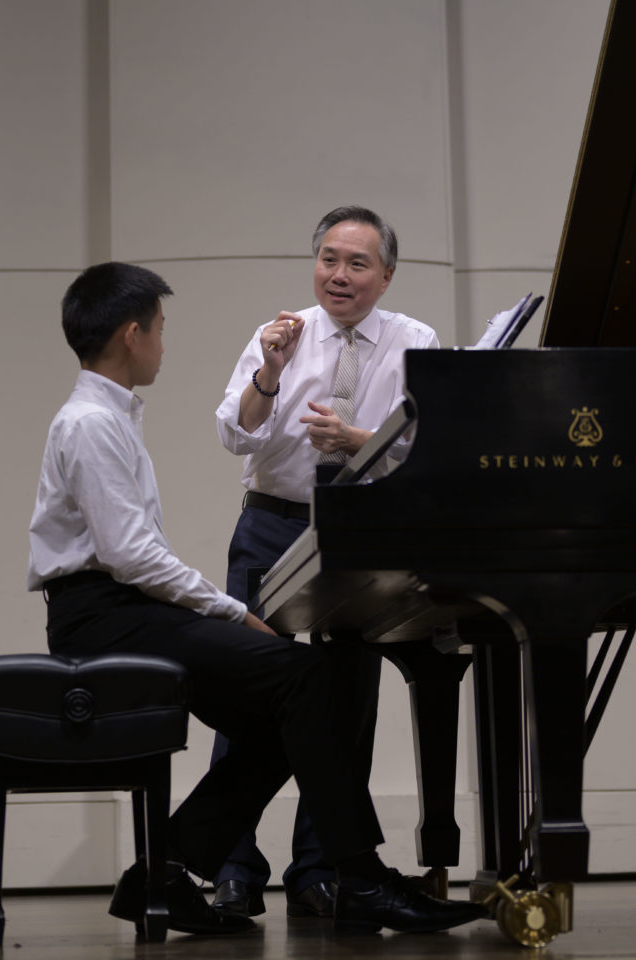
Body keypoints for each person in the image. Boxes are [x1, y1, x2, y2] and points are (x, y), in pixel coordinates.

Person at [26, 261, 484, 937]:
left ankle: (168, 870)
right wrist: (229, 609)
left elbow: (132, 556)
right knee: (306, 679)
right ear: (131, 334)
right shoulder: (92, 424)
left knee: (290, 706)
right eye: (159, 328)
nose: (162, 342)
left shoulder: (106, 414)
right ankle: (359, 877)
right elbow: (131, 556)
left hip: (116, 609)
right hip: (101, 617)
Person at [213, 206, 440, 918]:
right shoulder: (278, 334)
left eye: (357, 264)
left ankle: (322, 870)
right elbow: (232, 432)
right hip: (270, 526)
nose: (338, 276)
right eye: (329, 260)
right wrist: (270, 376)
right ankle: (232, 869)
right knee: (245, 696)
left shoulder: (416, 340)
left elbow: (433, 446)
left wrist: (359, 440)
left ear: (387, 275)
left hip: (359, 532)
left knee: (346, 700)